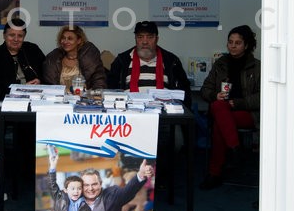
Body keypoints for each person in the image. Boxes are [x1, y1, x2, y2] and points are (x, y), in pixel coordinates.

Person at [199, 25, 261, 190]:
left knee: (220, 122)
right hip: (223, 110)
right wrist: (214, 95)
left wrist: (238, 102)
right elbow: (205, 89)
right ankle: (235, 148)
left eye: (238, 43)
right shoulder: (221, 63)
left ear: (246, 45)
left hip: (246, 113)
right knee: (219, 106)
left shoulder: (257, 66)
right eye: (230, 42)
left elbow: (263, 97)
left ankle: (215, 173)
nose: (233, 46)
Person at [46, 159, 154, 211]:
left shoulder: (112, 194)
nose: (91, 188)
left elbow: (128, 191)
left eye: (94, 184)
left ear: (101, 184)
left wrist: (140, 175)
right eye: (86, 185)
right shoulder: (72, 199)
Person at [107, 21, 191, 107]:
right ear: (135, 39)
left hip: (164, 113)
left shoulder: (171, 61)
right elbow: (110, 90)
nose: (145, 42)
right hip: (129, 110)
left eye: (150, 37)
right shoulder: (122, 60)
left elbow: (185, 92)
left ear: (157, 39)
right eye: (140, 37)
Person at [0, 17, 46, 101]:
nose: (16, 39)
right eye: (12, 35)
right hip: (5, 100)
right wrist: (22, 88)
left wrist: (39, 81)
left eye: (20, 36)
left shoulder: (33, 50)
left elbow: (47, 72)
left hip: (34, 98)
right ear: (4, 35)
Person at [41, 25, 107, 91]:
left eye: (70, 39)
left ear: (79, 40)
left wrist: (97, 95)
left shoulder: (89, 58)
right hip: (60, 99)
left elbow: (99, 80)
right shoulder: (53, 59)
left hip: (85, 99)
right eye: (63, 38)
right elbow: (49, 84)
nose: (65, 41)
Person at [45, 145, 86, 211]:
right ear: (66, 190)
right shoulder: (60, 197)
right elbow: (52, 184)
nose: (76, 191)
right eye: (73, 189)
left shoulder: (83, 200)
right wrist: (52, 166)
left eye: (79, 188)